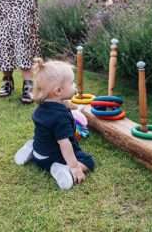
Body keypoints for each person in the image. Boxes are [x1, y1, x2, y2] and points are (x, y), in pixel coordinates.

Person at [14, 58, 95, 190]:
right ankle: (65, 169)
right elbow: (65, 145)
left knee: (44, 139)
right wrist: (74, 166)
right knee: (88, 161)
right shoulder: (60, 118)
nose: (74, 86)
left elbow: (65, 104)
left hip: (40, 153)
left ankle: (31, 148)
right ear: (58, 91)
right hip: (51, 158)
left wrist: (75, 107)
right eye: (72, 83)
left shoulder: (43, 106)